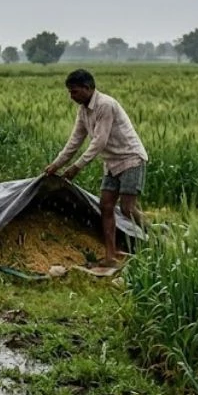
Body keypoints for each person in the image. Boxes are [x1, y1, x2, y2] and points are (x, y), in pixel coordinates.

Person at [44, 69, 148, 268]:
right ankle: (111, 255)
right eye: (69, 92)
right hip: (111, 163)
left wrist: (76, 167)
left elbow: (99, 142)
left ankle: (156, 237)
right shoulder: (83, 111)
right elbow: (74, 141)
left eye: (74, 91)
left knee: (127, 209)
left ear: (88, 88)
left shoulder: (105, 105)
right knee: (106, 206)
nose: (71, 96)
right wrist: (56, 165)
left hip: (130, 159)